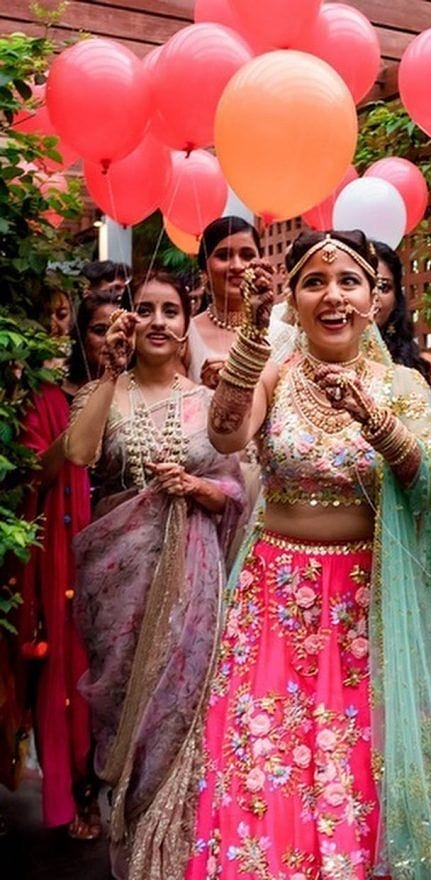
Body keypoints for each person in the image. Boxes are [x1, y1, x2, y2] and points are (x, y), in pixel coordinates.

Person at [185, 229, 431, 880]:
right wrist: (254, 333)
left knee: (356, 776)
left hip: (363, 611)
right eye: (314, 282)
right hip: (272, 603)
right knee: (261, 769)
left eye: (349, 281)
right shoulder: (274, 372)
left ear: (375, 299)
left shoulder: (401, 384)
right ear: (292, 298)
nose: (333, 295)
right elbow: (225, 432)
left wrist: (377, 421)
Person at [64, 271, 245, 877]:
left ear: (187, 321)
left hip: (191, 589)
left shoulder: (206, 402)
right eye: (147, 309)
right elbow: (78, 455)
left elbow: (236, 494)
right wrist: (109, 373)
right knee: (126, 719)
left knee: (179, 719)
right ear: (129, 321)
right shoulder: (103, 394)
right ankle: (129, 855)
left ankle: (174, 860)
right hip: (118, 589)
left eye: (173, 310)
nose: (161, 321)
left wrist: (197, 488)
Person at [13, 288, 96, 838]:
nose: (56, 323)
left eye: (63, 313)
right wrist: (81, 425)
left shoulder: (135, 390)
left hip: (121, 545)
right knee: (65, 665)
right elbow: (35, 473)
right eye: (50, 314)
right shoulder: (43, 398)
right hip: (63, 546)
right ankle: (74, 796)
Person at [188, 215, 263, 388]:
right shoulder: (185, 337)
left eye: (247, 255)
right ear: (204, 269)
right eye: (223, 256)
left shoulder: (283, 334)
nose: (237, 266)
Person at [373, 240, 431, 383]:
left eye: (383, 287)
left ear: (396, 299)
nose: (374, 296)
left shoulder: (410, 367)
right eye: (353, 283)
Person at [63, 290, 118, 398]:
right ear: (81, 334)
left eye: (117, 332)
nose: (109, 340)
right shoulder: (52, 398)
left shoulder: (136, 396)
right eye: (100, 331)